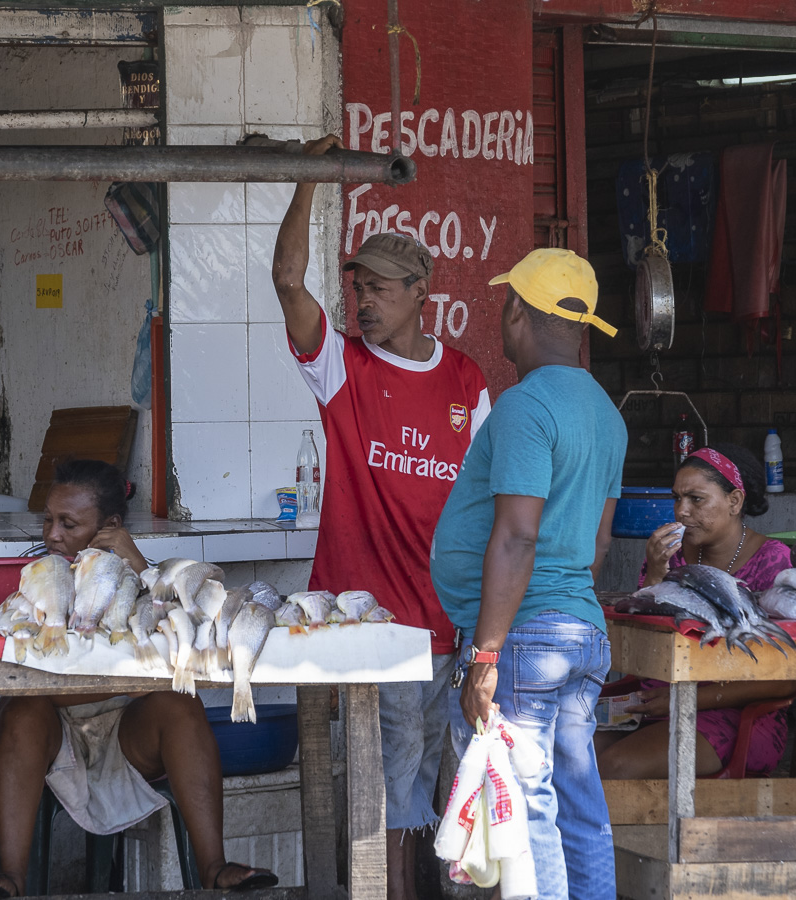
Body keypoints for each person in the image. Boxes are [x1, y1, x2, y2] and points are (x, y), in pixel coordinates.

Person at [272, 135, 491, 900]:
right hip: (374, 625)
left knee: (450, 787)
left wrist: (481, 630)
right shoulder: (343, 367)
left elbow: (489, 507)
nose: (364, 300)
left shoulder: (466, 380)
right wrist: (306, 177)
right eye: (358, 287)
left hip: (450, 623)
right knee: (391, 790)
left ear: (419, 294)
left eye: (382, 289)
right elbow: (286, 279)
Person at [0, 460, 276, 897]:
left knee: (181, 706)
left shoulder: (141, 579)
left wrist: (141, 566)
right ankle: (13, 877)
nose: (52, 535)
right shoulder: (35, 579)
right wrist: (129, 684)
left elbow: (187, 629)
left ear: (110, 526)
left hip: (127, 733)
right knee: (23, 709)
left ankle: (213, 868)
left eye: (69, 524)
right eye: (49, 521)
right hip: (48, 737)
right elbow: (26, 675)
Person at [431, 248, 624, 899]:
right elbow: (596, 545)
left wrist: (485, 654)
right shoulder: (606, 414)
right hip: (579, 634)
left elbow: (516, 535)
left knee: (526, 802)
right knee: (577, 803)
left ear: (515, 309)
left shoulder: (523, 407)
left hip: (525, 640)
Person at [595, 443, 796, 780]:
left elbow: (786, 681)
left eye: (696, 499)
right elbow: (647, 640)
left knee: (617, 766)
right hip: (657, 704)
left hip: (735, 713)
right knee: (570, 758)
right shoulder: (670, 555)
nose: (681, 511)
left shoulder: (773, 561)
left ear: (735, 501)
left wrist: (683, 701)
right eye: (677, 498)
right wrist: (656, 576)